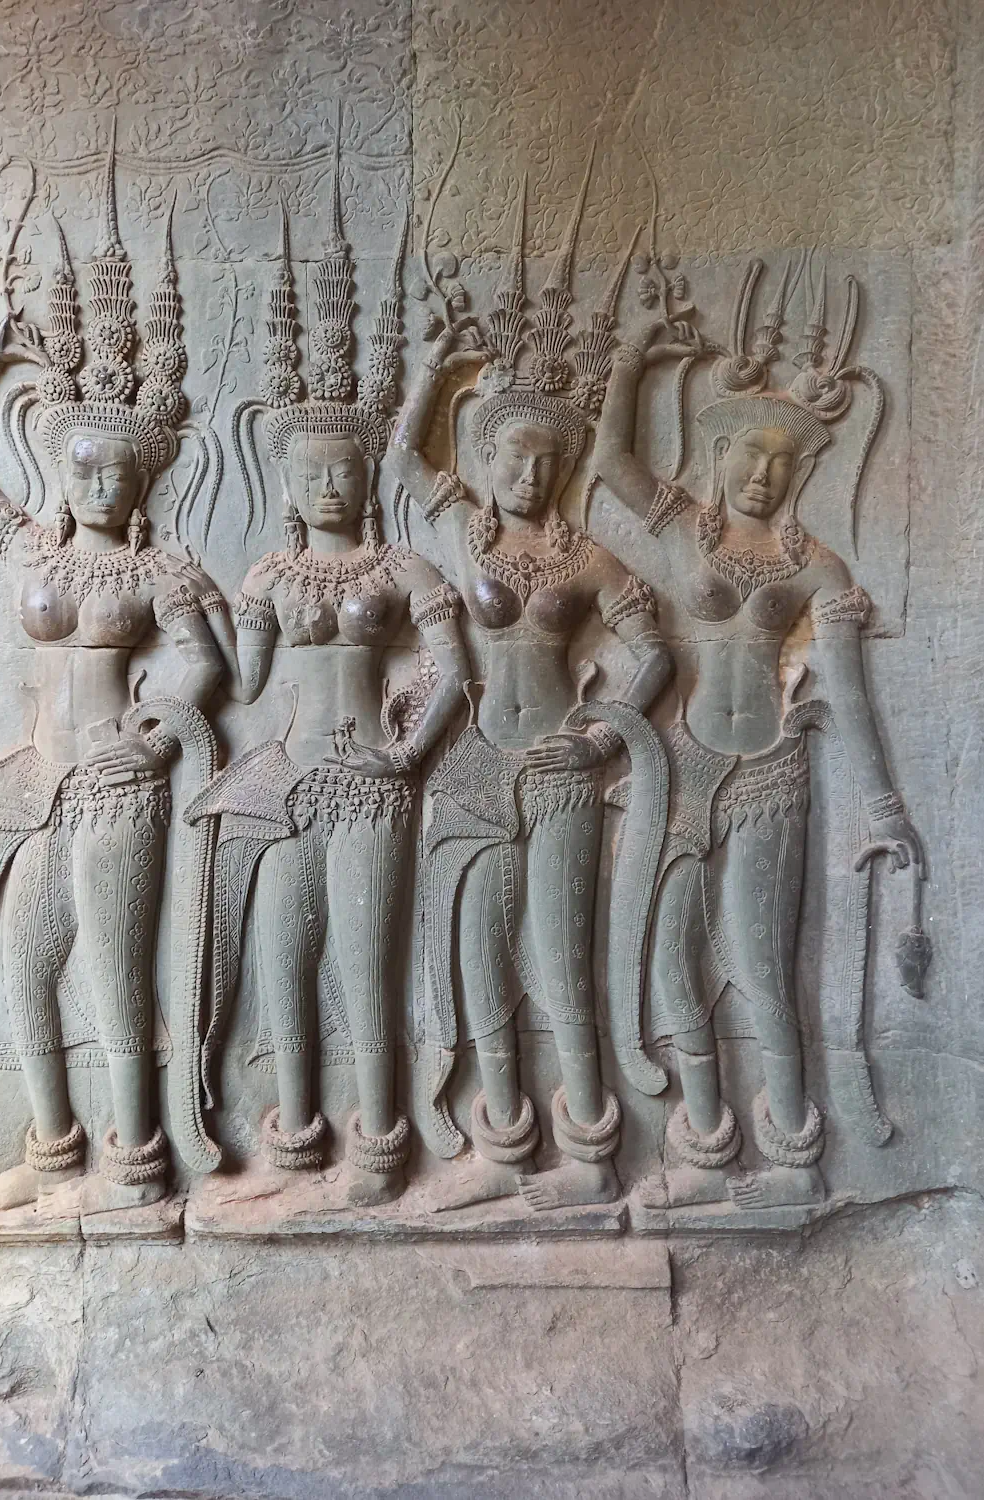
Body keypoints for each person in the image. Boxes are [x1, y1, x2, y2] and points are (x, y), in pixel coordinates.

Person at [589, 260, 923, 1210]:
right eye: (747, 454)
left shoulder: (817, 567)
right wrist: (634, 359)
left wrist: (882, 807)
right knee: (671, 964)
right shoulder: (683, 529)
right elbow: (611, 465)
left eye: (781, 461)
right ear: (719, 451)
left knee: (760, 965)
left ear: (800, 471)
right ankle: (704, 1147)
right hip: (682, 765)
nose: (761, 474)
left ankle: (792, 1157)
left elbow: (847, 696)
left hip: (770, 771)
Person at [0, 149, 231, 1217]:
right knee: (26, 969)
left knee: (115, 977)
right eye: (84, 467)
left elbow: (203, 661)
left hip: (118, 787)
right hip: (39, 786)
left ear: (145, 477)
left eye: (120, 469)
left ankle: (135, 1164)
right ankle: (53, 1151)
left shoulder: (156, 572)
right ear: (61, 470)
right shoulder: (35, 551)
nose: (102, 482)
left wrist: (154, 733)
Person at [385, 177, 673, 1211]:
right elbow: (400, 459)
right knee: (478, 958)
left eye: (549, 459)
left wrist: (601, 739)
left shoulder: (586, 558)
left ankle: (591, 1151)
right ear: (488, 452)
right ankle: (503, 1145)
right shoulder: (464, 529)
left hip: (557, 765)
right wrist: (433, 371)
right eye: (515, 452)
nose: (531, 472)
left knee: (559, 959)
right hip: (471, 765)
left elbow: (653, 651)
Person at [189, 189, 469, 1208]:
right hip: (286, 782)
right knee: (283, 963)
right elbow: (244, 683)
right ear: (287, 484)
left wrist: (409, 749)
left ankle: (382, 1148)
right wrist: (201, 619)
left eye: (344, 470)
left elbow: (453, 667)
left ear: (365, 477)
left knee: (364, 968)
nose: (329, 487)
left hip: (372, 784)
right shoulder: (268, 576)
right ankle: (296, 1142)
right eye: (311, 473)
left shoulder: (400, 567)